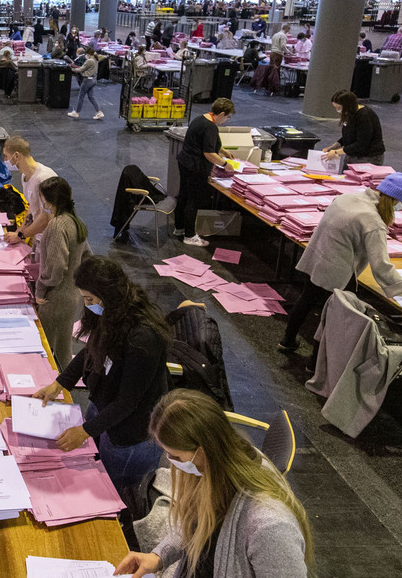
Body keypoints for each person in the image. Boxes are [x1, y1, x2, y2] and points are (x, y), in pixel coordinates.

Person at [113, 389, 313, 578]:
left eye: (177, 457)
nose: (171, 462)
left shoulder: (269, 526)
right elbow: (194, 522)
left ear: (203, 451)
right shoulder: (212, 471)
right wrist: (158, 557)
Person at [33, 256, 172, 490]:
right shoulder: (112, 313)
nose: (88, 305)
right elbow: (92, 350)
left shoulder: (143, 338)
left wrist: (85, 431)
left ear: (108, 294)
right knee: (94, 467)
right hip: (106, 405)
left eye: (90, 299)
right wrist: (59, 384)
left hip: (132, 432)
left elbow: (128, 402)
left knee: (114, 489)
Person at [278, 173, 402, 355]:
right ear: (399, 201)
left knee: (306, 300)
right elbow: (381, 266)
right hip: (336, 271)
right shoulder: (373, 220)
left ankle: (287, 341)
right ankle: (315, 365)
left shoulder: (347, 197)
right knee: (332, 318)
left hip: (316, 258)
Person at [34, 177, 92, 368]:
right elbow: (87, 255)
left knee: (48, 349)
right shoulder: (75, 221)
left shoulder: (57, 226)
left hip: (55, 297)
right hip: (71, 294)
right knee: (63, 346)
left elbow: (57, 267)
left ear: (48, 202)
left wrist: (41, 288)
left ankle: (58, 389)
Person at [173, 98, 236, 248]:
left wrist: (223, 151)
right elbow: (208, 153)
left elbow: (207, 142)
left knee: (183, 195)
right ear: (221, 113)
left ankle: (179, 228)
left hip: (185, 162)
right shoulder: (210, 127)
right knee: (192, 200)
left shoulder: (201, 119)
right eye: (228, 117)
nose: (226, 120)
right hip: (195, 167)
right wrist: (225, 164)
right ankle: (189, 235)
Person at [2, 136, 58, 247]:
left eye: (6, 156)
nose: (5, 161)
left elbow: (45, 218)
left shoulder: (44, 179)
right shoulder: (25, 176)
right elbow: (32, 209)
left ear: (16, 155)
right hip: (39, 234)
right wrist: (19, 231)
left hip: (52, 239)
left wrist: (21, 235)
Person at [321, 90, 385, 165]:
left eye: (339, 107)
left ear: (348, 106)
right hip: (352, 154)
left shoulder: (364, 116)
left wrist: (337, 152)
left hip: (368, 157)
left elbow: (362, 143)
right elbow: (349, 135)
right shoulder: (350, 113)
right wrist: (334, 146)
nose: (338, 110)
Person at [67, 47, 104, 120]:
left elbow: (81, 69)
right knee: (91, 97)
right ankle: (99, 112)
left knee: (81, 97)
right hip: (93, 80)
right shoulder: (96, 59)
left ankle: (76, 112)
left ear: (88, 54)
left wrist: (72, 69)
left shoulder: (89, 61)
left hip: (87, 80)